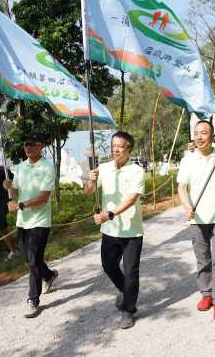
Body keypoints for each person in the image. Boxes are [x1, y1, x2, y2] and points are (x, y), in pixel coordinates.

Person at [177, 120, 215, 323]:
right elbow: (182, 188)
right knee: (202, 259)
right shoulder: (187, 160)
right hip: (197, 218)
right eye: (196, 133)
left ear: (212, 137)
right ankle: (206, 294)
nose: (200, 137)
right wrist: (187, 207)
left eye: (204, 133)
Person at [84, 131, 145, 330]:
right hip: (110, 230)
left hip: (131, 231)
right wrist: (91, 180)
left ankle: (129, 310)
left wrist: (109, 213)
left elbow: (132, 199)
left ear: (129, 149)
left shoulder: (136, 170)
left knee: (130, 272)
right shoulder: (104, 168)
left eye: (120, 146)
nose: (116, 149)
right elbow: (88, 192)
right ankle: (124, 290)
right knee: (108, 265)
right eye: (113, 146)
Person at [3, 133, 58, 318]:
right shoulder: (20, 167)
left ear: (40, 146)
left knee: (33, 260)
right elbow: (16, 191)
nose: (27, 147)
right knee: (28, 259)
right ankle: (49, 276)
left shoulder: (47, 167)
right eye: (25, 144)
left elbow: (43, 198)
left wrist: (20, 205)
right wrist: (9, 186)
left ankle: (33, 300)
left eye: (31, 144)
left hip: (40, 221)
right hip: (22, 221)